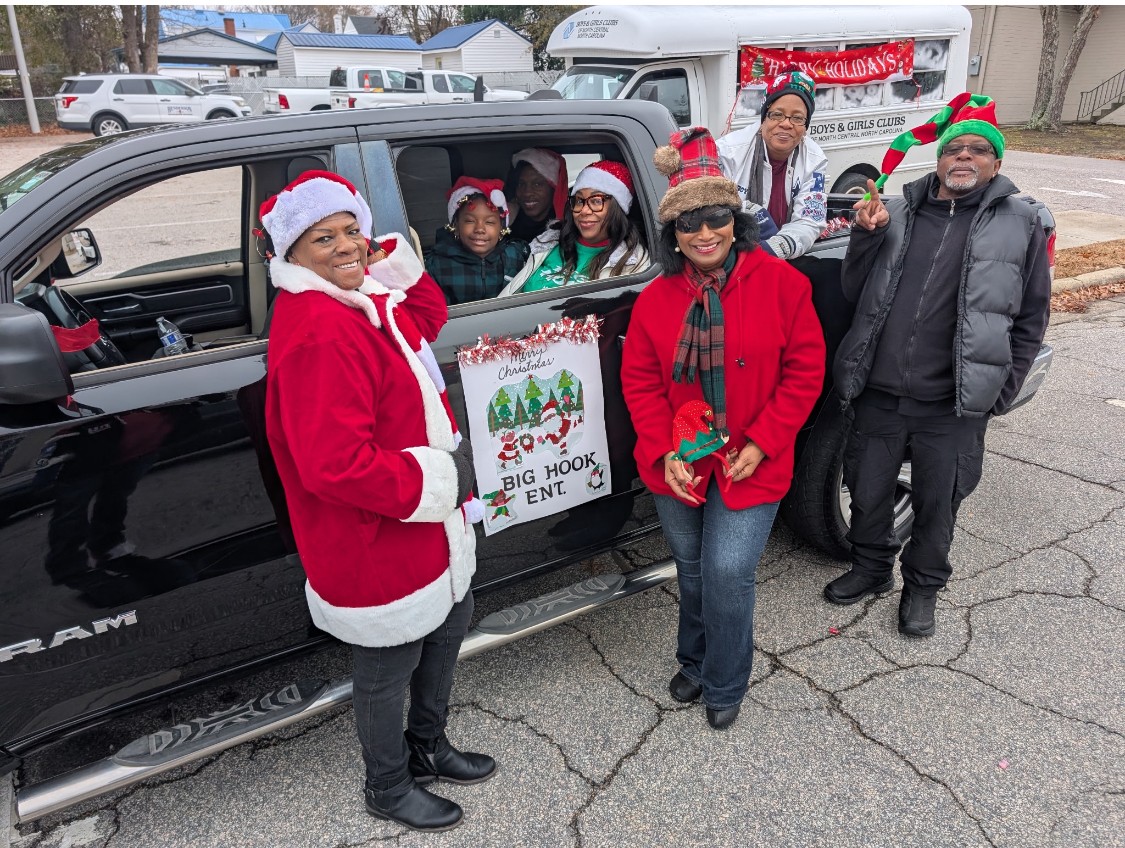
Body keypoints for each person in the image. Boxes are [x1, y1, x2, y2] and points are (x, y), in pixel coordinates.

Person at [260, 170, 495, 833]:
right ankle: (387, 784)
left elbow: (427, 318)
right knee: (389, 662)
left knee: (449, 622)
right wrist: (440, 480)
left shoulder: (362, 298)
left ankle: (428, 745)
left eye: (350, 230)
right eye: (322, 237)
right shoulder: (319, 328)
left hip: (422, 521)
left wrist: (391, 262)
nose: (344, 246)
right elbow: (333, 465)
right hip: (376, 528)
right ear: (291, 252)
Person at [826, 94, 1052, 637]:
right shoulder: (897, 211)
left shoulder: (1022, 223)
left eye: (978, 149)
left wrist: (1000, 389)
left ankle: (922, 588)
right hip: (880, 392)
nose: (964, 157)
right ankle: (871, 568)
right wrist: (865, 236)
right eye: (955, 148)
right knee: (868, 491)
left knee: (937, 504)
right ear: (939, 157)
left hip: (951, 403)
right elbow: (855, 290)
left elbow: (1031, 317)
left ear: (996, 162)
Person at [622, 128, 825, 730]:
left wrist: (764, 441)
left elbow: (805, 371)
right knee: (691, 568)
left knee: (728, 571)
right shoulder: (655, 299)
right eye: (689, 223)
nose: (704, 233)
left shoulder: (784, 285)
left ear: (736, 222)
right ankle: (694, 658)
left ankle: (726, 679)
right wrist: (663, 450)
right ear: (673, 234)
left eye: (716, 217)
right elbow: (640, 383)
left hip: (750, 457)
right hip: (682, 459)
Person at [717, 68, 829, 260]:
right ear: (764, 118)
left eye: (797, 118)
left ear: (805, 126)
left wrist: (776, 248)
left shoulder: (815, 159)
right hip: (730, 255)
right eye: (777, 114)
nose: (786, 124)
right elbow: (712, 212)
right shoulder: (727, 152)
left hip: (784, 257)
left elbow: (810, 220)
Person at [500, 161, 649, 295]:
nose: (584, 210)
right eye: (579, 201)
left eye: (596, 201)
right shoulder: (547, 244)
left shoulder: (633, 262)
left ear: (617, 208)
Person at [425, 176, 530, 304]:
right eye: (470, 221)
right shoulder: (438, 266)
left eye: (489, 222)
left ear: (501, 229)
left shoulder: (516, 256)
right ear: (456, 226)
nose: (480, 229)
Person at [505, 147, 568, 243]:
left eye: (537, 184)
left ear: (553, 189)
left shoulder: (566, 229)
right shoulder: (506, 224)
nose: (527, 192)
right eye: (521, 184)